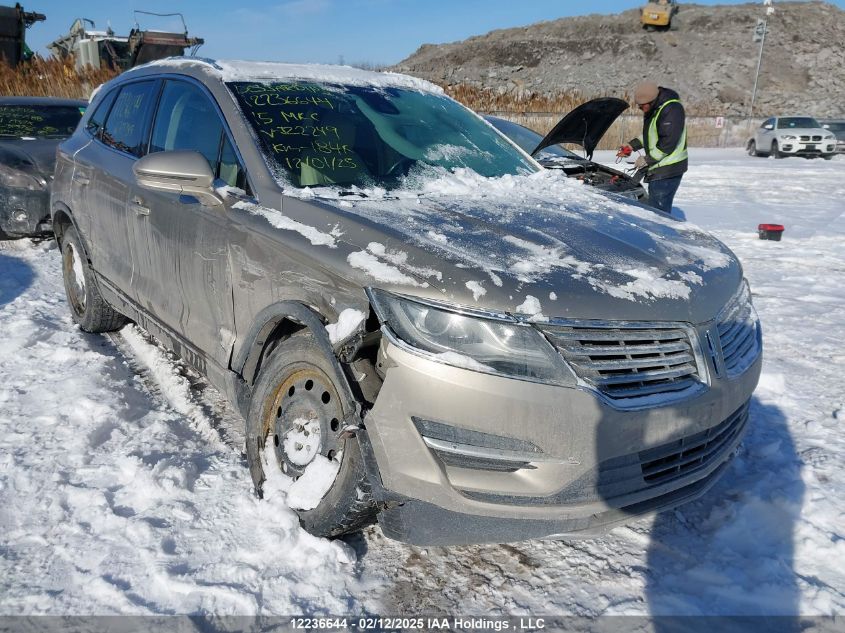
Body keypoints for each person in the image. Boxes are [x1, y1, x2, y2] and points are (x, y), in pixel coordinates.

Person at [618, 81, 688, 214]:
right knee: (655, 209)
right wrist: (631, 146)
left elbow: (668, 142)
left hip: (668, 169)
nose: (641, 109)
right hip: (660, 166)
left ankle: (662, 234)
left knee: (658, 214)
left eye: (642, 106)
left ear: (652, 100)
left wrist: (647, 159)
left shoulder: (671, 109)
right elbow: (651, 135)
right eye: (639, 107)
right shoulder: (656, 109)